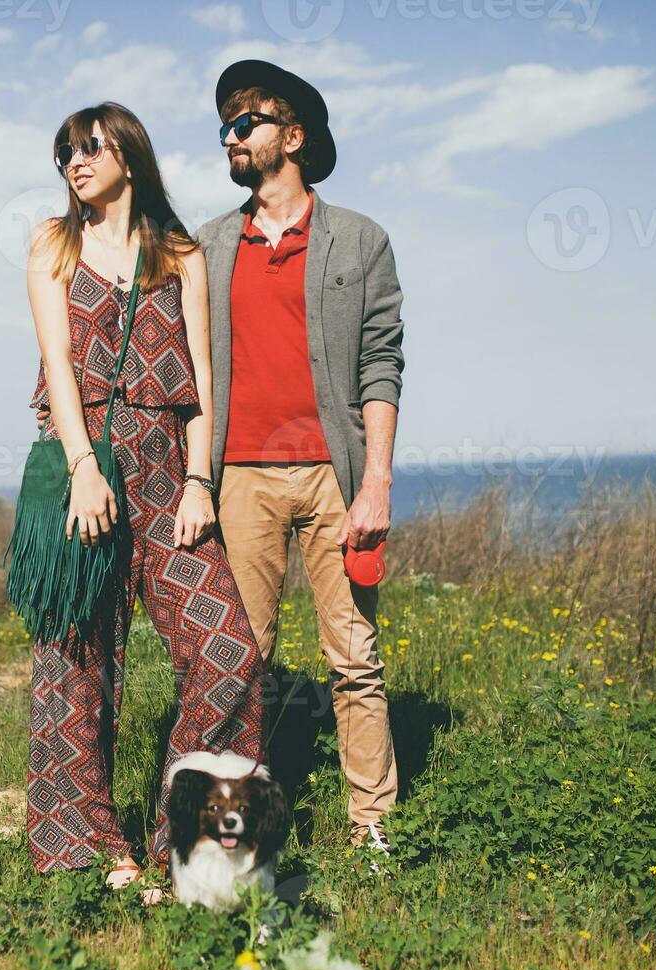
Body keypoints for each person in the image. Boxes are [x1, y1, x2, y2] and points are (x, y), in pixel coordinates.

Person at [21, 102, 265, 886]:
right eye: (64, 152)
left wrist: (201, 481)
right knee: (76, 666)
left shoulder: (181, 255)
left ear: (128, 153)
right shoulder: (52, 247)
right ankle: (89, 849)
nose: (73, 162)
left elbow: (201, 379)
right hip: (84, 473)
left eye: (88, 147)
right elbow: (58, 368)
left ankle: (186, 839)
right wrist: (85, 466)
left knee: (228, 655)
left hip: (169, 477)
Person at [204, 60, 406, 858]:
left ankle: (373, 827)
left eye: (246, 120)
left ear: (292, 137)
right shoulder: (212, 244)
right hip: (239, 479)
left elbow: (381, 363)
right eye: (224, 124)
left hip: (336, 476)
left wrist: (377, 482)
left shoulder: (361, 239)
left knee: (354, 659)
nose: (231, 134)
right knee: (238, 660)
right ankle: (235, 833)